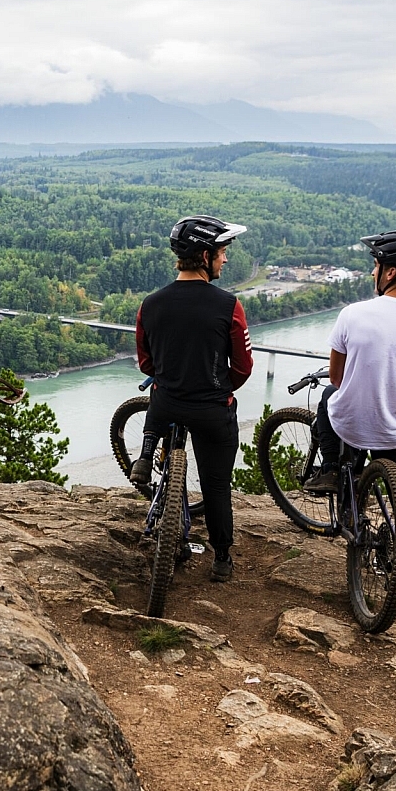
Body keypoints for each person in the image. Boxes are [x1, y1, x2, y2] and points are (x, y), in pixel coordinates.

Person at [304, 230, 396, 567]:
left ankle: (334, 474)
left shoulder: (353, 315)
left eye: (376, 265)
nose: (372, 272)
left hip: (353, 425)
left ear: (391, 272)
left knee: (328, 397)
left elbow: (337, 378)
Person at [129, 214, 254, 582]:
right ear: (204, 256)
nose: (226, 260)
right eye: (222, 252)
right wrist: (217, 386)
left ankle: (148, 454)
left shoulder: (149, 305)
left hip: (167, 403)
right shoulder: (228, 305)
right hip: (213, 410)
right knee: (216, 485)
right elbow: (243, 367)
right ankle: (222, 560)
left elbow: (146, 362)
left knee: (159, 394)